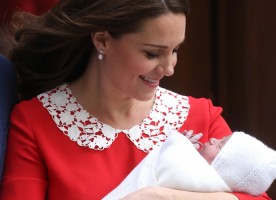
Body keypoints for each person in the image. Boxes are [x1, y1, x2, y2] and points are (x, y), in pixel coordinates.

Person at [0, 0, 272, 199]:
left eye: (175, 50)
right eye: (153, 53)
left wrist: (157, 196)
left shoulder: (201, 115)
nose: (169, 68)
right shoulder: (35, 122)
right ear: (102, 40)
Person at [103, 131, 276, 199]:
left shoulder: (203, 181)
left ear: (226, 168)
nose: (214, 139)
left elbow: (172, 164)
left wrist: (179, 147)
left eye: (220, 145)